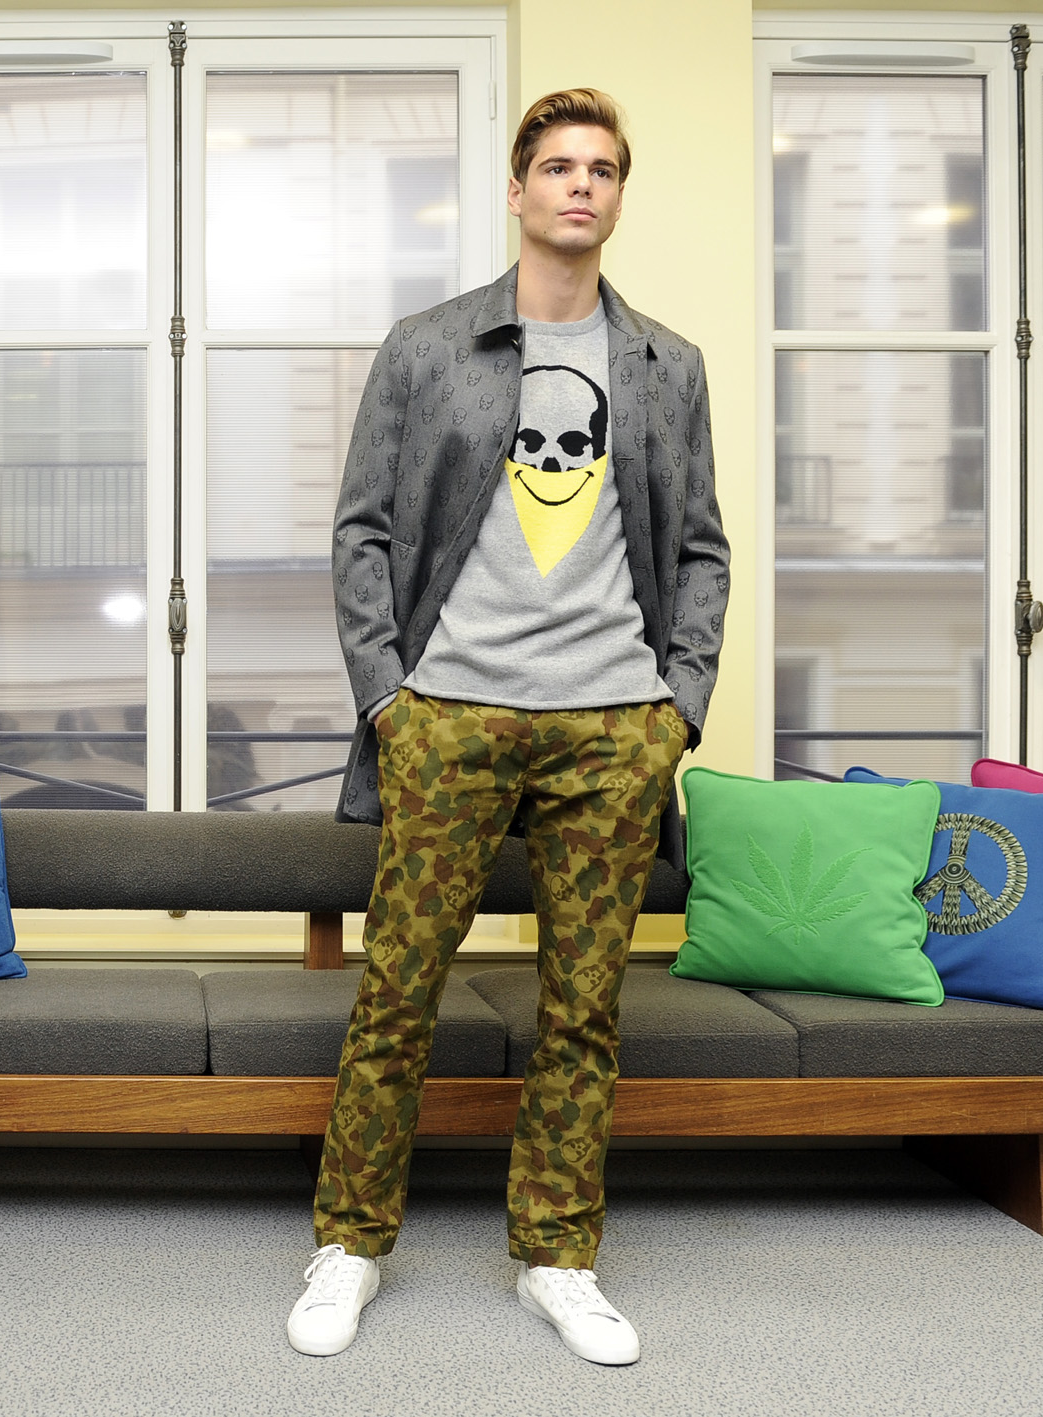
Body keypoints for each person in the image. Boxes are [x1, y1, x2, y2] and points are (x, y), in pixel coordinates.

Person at [288, 87, 729, 1365]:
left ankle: (557, 1256)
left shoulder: (666, 366)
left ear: (616, 195)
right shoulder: (427, 347)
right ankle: (348, 1243)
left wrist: (676, 707)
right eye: (557, 166)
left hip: (611, 726)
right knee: (397, 990)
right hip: (450, 718)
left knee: (583, 1009)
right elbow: (360, 531)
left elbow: (699, 550)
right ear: (517, 190)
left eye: (601, 169)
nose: (579, 185)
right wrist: (388, 698)